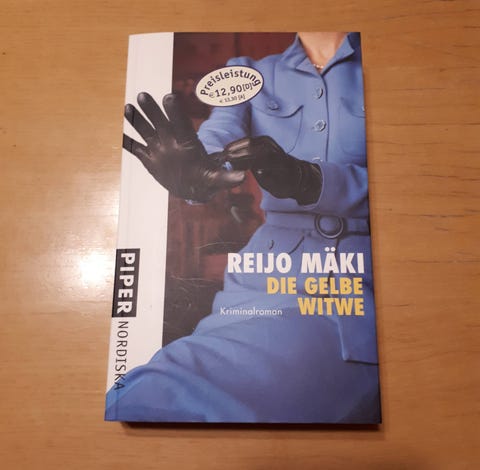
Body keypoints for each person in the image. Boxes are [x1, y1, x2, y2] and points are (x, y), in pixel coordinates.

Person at [106, 32, 381, 423]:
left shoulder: (382, 66)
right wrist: (201, 167)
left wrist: (310, 180)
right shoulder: (248, 72)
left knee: (189, 390)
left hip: (354, 283)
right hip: (258, 278)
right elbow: (221, 130)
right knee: (153, 383)